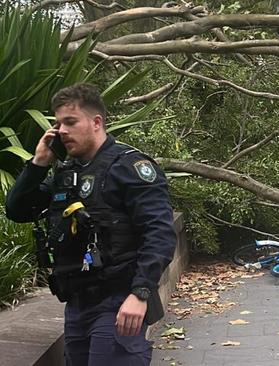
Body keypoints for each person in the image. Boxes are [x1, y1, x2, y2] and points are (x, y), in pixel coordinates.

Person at [4, 83, 176, 365]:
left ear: (96, 122)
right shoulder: (67, 172)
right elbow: (17, 210)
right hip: (77, 304)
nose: (61, 131)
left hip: (118, 301)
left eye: (70, 122)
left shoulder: (129, 167)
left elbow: (160, 233)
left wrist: (140, 292)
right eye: (58, 124)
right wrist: (38, 164)